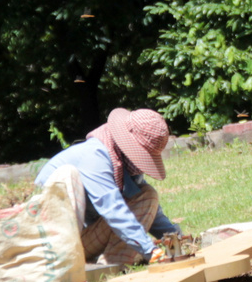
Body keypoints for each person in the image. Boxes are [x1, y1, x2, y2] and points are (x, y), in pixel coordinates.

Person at [35, 107, 181, 265]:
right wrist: (150, 250)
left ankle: (112, 262)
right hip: (56, 249)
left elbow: (147, 208)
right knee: (145, 198)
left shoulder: (122, 162)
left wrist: (176, 239)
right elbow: (114, 212)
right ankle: (111, 265)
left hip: (84, 237)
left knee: (147, 194)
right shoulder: (95, 157)